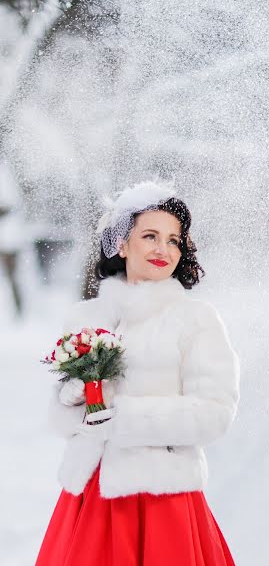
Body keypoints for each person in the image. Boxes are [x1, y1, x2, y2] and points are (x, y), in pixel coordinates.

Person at [35, 178, 240, 565]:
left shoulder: (195, 319)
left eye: (174, 240)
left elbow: (215, 413)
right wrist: (73, 399)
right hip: (88, 499)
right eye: (150, 236)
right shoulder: (86, 318)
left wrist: (126, 420)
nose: (164, 249)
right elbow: (62, 421)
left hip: (164, 499)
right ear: (121, 243)